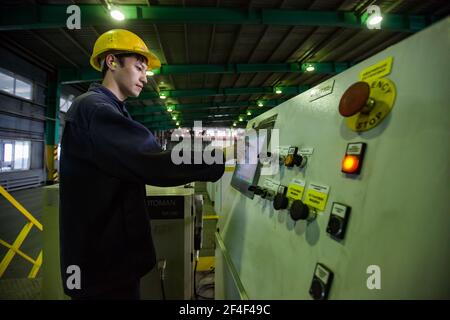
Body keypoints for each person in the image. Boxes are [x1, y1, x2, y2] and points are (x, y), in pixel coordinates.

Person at [59, 29, 225, 300]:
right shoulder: (96, 109)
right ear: (112, 62)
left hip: (106, 261)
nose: (145, 78)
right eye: (138, 68)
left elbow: (145, 156)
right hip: (102, 267)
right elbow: (153, 161)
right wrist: (217, 157)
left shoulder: (107, 109)